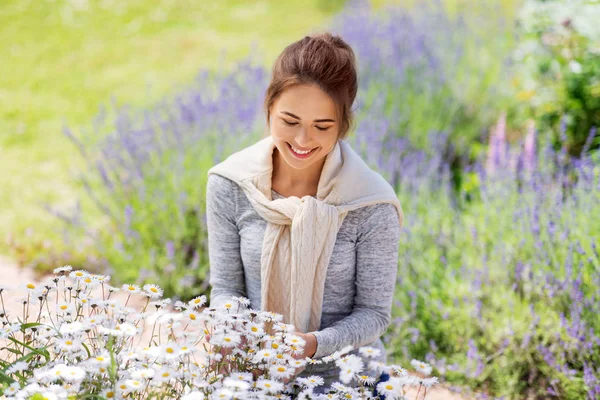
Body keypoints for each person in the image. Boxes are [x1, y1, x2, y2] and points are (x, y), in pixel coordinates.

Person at [205, 32, 403, 395]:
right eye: (290, 120)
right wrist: (229, 328)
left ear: (343, 125)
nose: (301, 140)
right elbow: (227, 289)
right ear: (268, 107)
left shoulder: (370, 203)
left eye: (322, 127)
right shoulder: (230, 183)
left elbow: (374, 314)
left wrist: (312, 345)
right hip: (254, 377)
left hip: (346, 381)